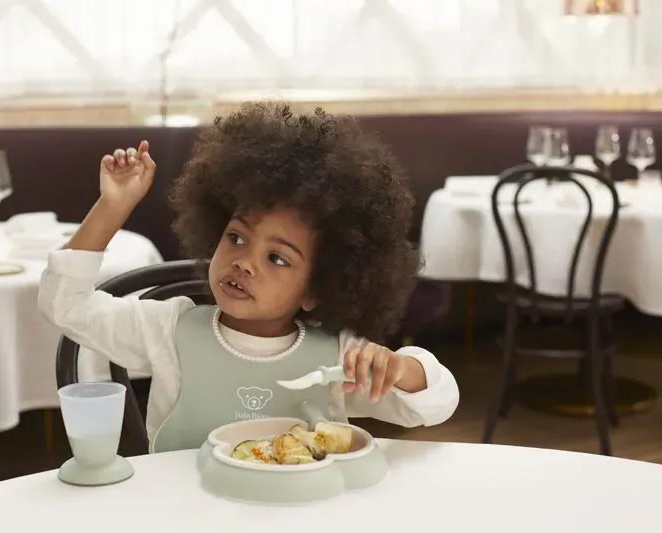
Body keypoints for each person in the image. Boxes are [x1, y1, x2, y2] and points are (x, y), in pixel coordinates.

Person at [38, 102, 459, 453]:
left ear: (318, 286)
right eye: (237, 237)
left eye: (277, 258)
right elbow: (66, 303)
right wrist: (113, 206)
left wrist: (401, 368)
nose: (244, 262)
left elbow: (438, 403)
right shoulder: (168, 330)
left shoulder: (338, 359)